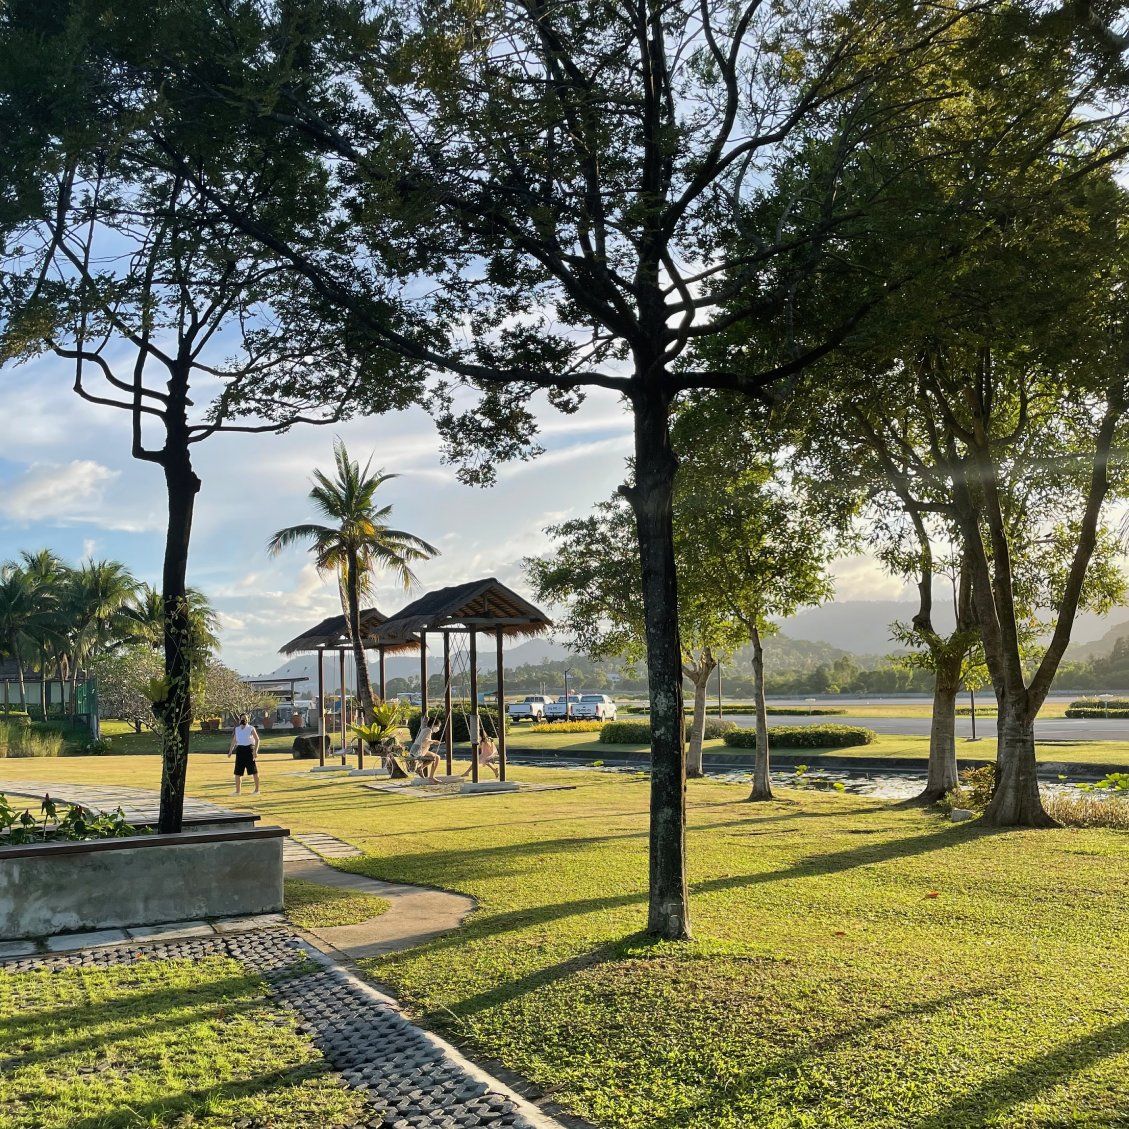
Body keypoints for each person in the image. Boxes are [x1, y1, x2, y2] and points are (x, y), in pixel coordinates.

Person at [228, 713, 261, 795]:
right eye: (243, 718)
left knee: (254, 771)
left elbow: (257, 740)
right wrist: (230, 751)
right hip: (240, 750)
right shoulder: (237, 729)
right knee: (238, 772)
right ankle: (237, 791)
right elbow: (234, 741)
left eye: (246, 718)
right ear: (240, 719)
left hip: (249, 750)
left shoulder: (251, 728)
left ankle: (257, 790)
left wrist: (255, 751)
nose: (244, 720)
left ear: (248, 720)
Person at [411, 713, 442, 781]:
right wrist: (434, 741)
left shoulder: (425, 729)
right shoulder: (428, 730)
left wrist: (425, 720)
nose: (438, 728)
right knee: (436, 758)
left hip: (416, 749)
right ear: (433, 725)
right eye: (438, 726)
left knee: (435, 757)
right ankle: (430, 776)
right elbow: (424, 741)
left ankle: (420, 769)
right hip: (418, 750)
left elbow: (424, 740)